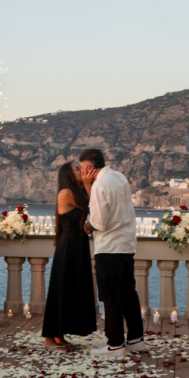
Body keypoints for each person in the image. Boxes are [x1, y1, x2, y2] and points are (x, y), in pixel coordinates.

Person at [79, 148, 144, 357]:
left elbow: (99, 221)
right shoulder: (119, 177)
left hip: (109, 248)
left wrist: (86, 227)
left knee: (110, 296)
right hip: (126, 245)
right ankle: (136, 339)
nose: (81, 173)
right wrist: (90, 186)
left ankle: (115, 344)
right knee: (128, 294)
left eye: (82, 169)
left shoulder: (100, 185)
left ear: (89, 168)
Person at [42, 161, 97, 351]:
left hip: (78, 244)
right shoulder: (66, 193)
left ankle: (59, 336)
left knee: (72, 289)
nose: (81, 170)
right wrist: (88, 184)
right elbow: (91, 206)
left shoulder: (76, 192)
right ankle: (49, 338)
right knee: (61, 288)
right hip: (69, 246)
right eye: (76, 168)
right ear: (67, 174)